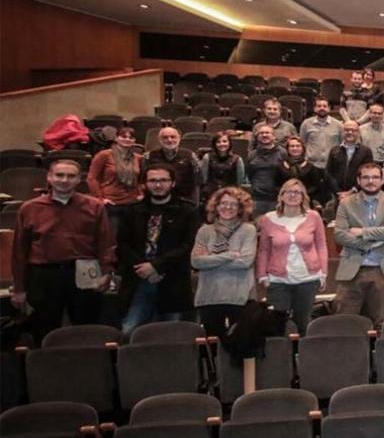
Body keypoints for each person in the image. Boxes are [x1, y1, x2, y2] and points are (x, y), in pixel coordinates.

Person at [12, 160, 116, 343]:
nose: (64, 180)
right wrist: (19, 288)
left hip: (84, 272)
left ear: (79, 180)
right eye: (59, 175)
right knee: (44, 332)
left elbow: (105, 242)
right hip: (43, 276)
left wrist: (107, 272)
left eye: (71, 176)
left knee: (86, 330)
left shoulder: (94, 206)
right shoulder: (29, 208)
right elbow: (19, 251)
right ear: (49, 178)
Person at [118, 166, 199, 336]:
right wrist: (144, 268)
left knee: (172, 335)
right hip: (138, 279)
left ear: (173, 183)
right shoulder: (132, 211)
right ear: (144, 184)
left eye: (163, 180)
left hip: (172, 280)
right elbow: (123, 244)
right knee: (128, 332)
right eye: (153, 180)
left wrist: (156, 266)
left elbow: (188, 245)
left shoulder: (188, 211)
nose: (158, 185)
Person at [332, 162, 384, 327]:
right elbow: (339, 234)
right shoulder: (346, 203)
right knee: (344, 323)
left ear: (382, 181)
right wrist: (370, 244)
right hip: (353, 268)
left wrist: (363, 232)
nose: (370, 181)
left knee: (382, 324)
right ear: (358, 181)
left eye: (375, 177)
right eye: (366, 177)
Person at [256, 178, 328, 336]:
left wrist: (323, 273)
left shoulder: (313, 217)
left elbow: (321, 245)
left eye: (297, 192)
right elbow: (263, 250)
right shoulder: (268, 219)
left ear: (303, 197)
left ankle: (301, 358)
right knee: (277, 325)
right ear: (281, 196)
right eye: (288, 192)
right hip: (278, 280)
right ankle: (281, 358)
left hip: (307, 279)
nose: (293, 195)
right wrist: (262, 275)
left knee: (303, 324)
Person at [191, 186, 257, 337]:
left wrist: (209, 258)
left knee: (240, 348)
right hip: (209, 296)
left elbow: (245, 262)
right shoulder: (204, 231)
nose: (228, 207)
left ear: (241, 208)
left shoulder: (248, 230)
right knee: (213, 348)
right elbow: (196, 262)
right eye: (223, 203)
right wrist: (230, 255)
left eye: (233, 204)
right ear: (216, 206)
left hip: (240, 297)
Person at [87, 126, 143, 241]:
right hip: (111, 203)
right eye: (123, 136)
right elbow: (92, 178)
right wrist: (100, 198)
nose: (127, 139)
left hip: (132, 203)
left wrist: (141, 194)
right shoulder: (104, 155)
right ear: (116, 138)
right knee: (111, 238)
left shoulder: (138, 158)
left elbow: (141, 179)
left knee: (130, 239)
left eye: (131, 137)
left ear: (134, 141)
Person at [144, 127, 199, 204]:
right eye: (165, 137)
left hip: (184, 200)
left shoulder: (190, 156)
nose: (169, 140)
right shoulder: (149, 156)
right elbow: (144, 181)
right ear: (159, 140)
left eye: (173, 137)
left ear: (179, 138)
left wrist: (195, 202)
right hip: (157, 199)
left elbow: (197, 182)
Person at [325, 120, 375, 200]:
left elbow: (367, 174)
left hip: (359, 195)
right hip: (338, 196)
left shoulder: (366, 151)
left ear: (358, 133)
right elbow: (329, 173)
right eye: (347, 130)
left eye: (353, 130)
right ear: (342, 132)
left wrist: (352, 191)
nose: (350, 132)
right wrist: (338, 192)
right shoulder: (334, 150)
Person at [199, 133, 248, 207]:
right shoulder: (207, 157)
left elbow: (239, 181)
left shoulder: (237, 159)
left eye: (224, 141)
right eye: (218, 142)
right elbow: (204, 179)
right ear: (214, 144)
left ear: (229, 143)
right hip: (210, 194)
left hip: (229, 196)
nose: (221, 144)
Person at [246, 125, 286, 216]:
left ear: (274, 136)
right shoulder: (252, 155)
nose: (264, 135)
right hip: (257, 198)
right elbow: (249, 174)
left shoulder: (283, 153)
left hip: (276, 198)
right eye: (261, 133)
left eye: (267, 133)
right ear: (257, 137)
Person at [277, 136, 326, 207]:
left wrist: (301, 194)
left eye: (298, 146)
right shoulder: (280, 166)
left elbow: (316, 186)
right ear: (287, 149)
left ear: (303, 148)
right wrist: (286, 193)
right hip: (285, 201)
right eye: (292, 146)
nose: (295, 148)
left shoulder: (310, 167)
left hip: (306, 201)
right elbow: (276, 185)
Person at [299, 96, 342, 171]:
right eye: (319, 106)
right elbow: (302, 143)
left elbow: (342, 144)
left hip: (332, 166)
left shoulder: (338, 125)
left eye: (325, 106)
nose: (322, 108)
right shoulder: (306, 124)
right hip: (311, 166)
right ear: (314, 108)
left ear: (329, 108)